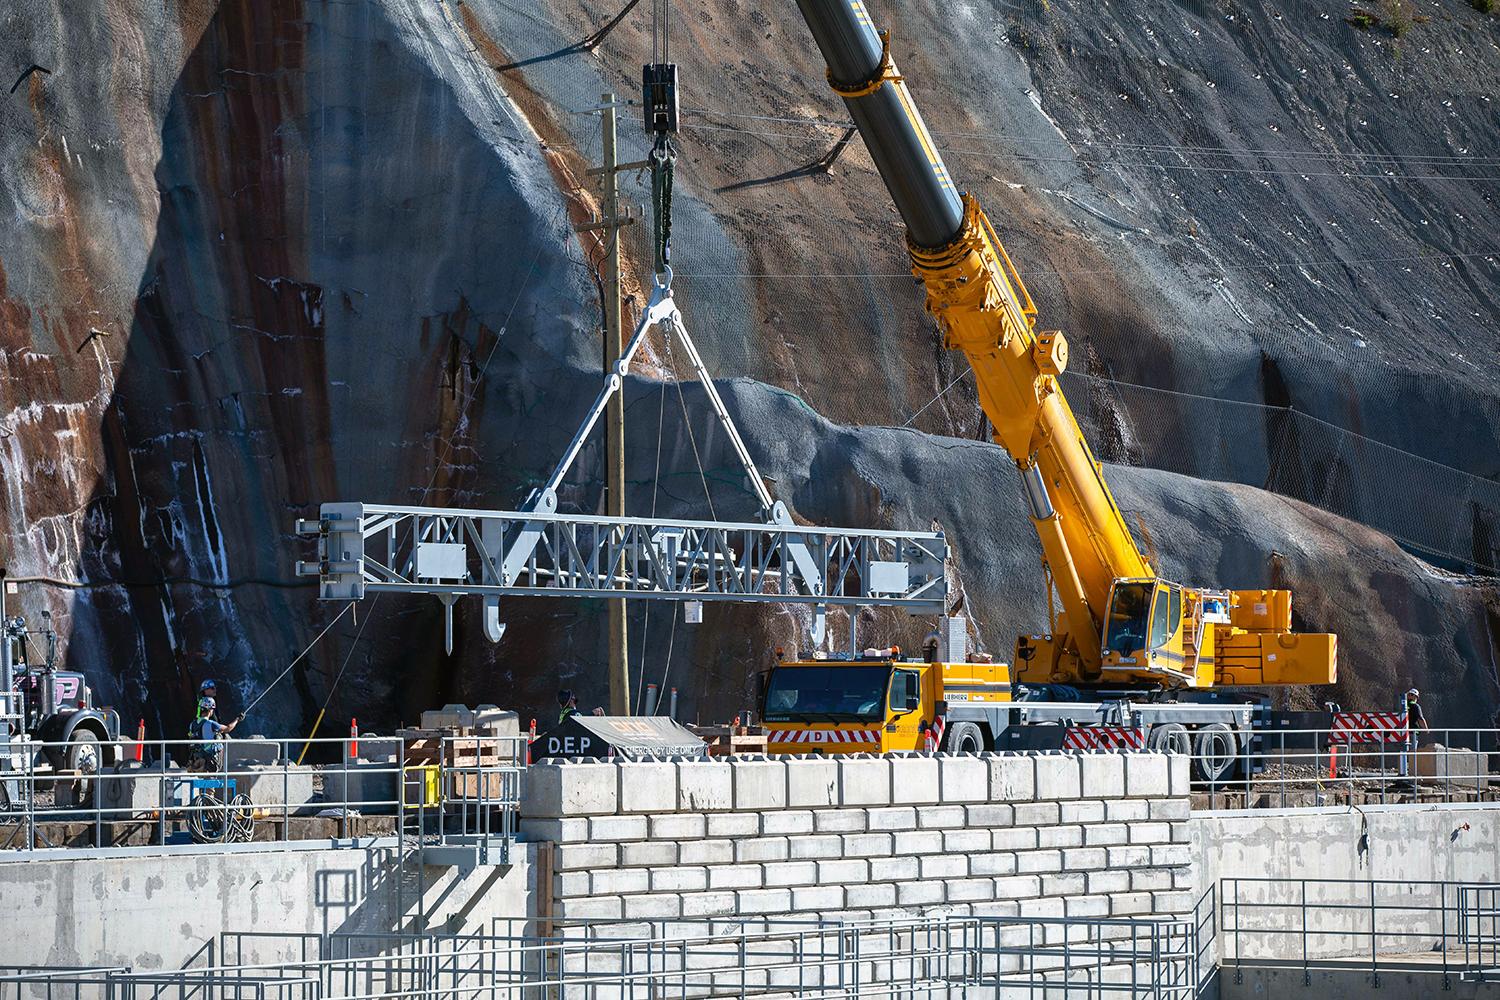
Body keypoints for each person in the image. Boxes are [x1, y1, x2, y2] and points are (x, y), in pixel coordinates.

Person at [187, 696, 241, 772]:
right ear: (210, 710)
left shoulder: (192, 724)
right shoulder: (211, 724)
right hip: (210, 762)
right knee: (218, 737)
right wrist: (237, 719)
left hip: (195, 761)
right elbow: (228, 728)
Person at [1399, 687, 1428, 780]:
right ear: (1416, 697)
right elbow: (1420, 719)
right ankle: (1411, 772)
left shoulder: (1402, 706)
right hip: (1413, 732)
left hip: (1403, 732)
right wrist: (1426, 729)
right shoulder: (1415, 706)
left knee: (1403, 750)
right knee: (1412, 752)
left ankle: (1403, 770)